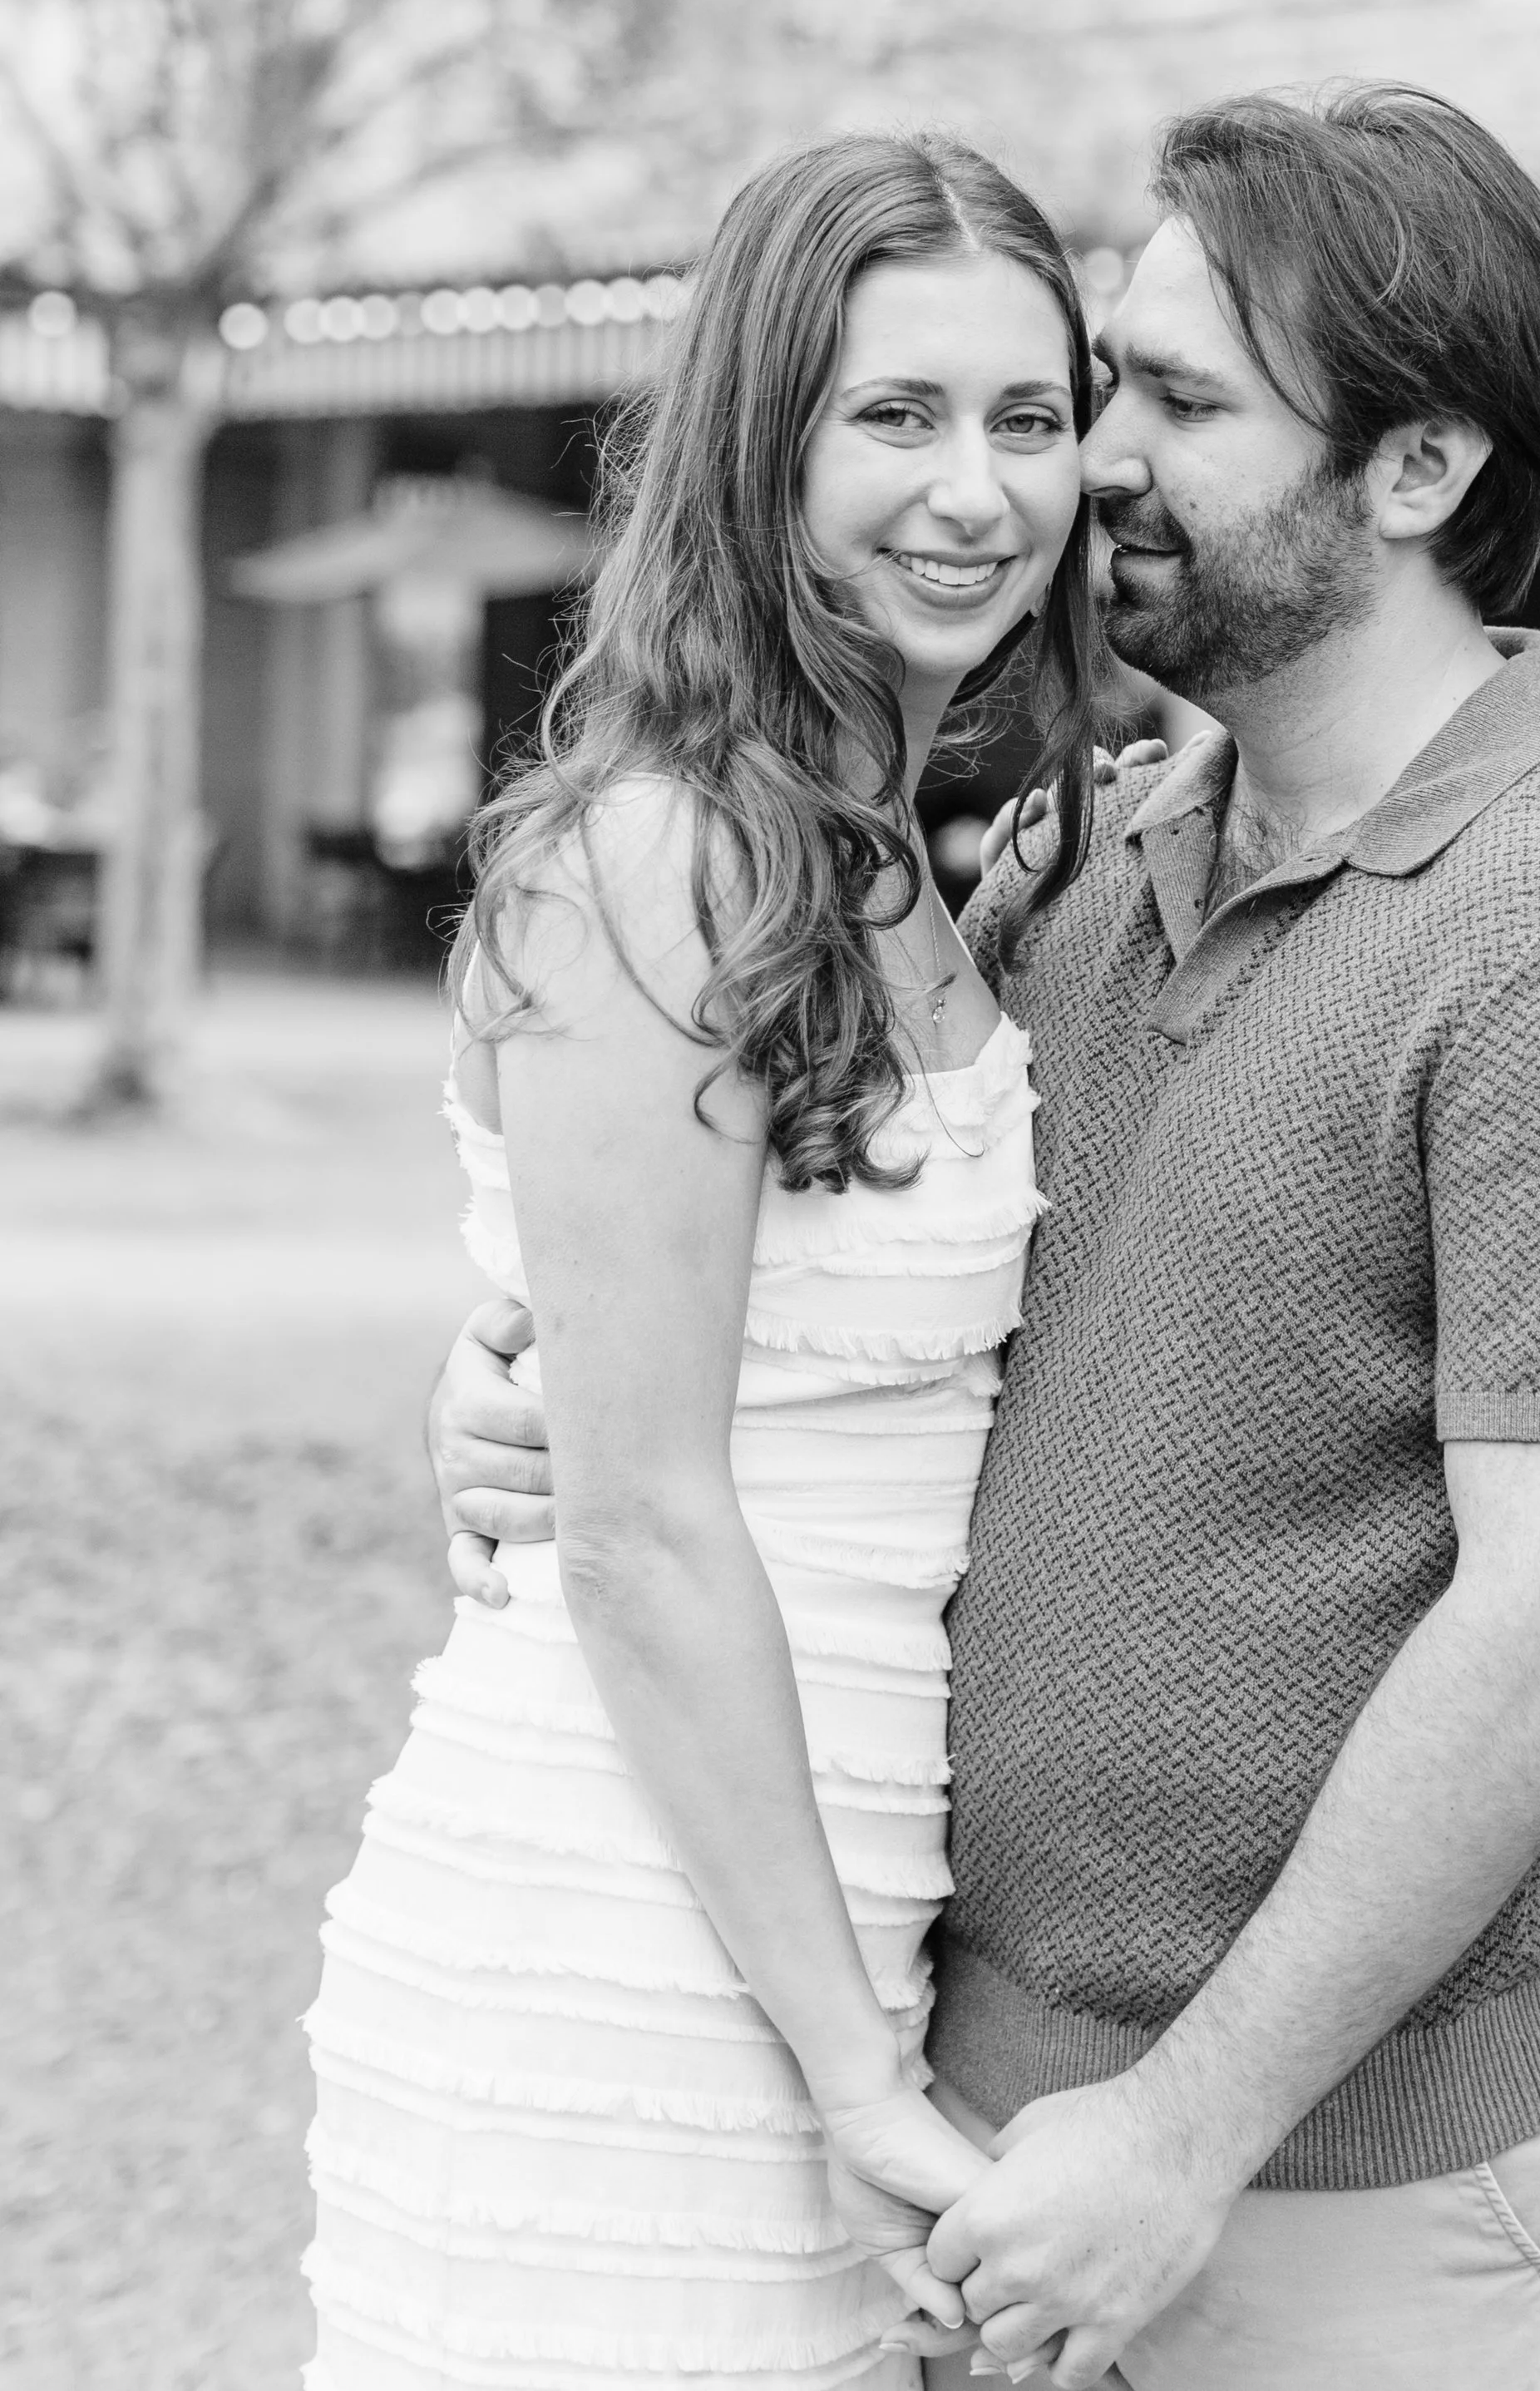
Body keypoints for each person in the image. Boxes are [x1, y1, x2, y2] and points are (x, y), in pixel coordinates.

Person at [429, 85, 1540, 2391]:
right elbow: (827, 1288)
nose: (1082, 467)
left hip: (1355, 2171)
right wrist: (515, 1373)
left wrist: (1183, 2127)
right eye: (1105, 392)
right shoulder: (1067, 858)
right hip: (974, 2102)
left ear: (1412, 471)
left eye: (1167, 403)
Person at [301, 131, 1106, 2390]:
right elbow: (644, 1520)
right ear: (760, 440)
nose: (976, 489)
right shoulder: (661, 852)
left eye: (1028, 419)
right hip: (622, 1941)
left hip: (834, 1926)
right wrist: (853, 2074)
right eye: (897, 414)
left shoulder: (911, 869)